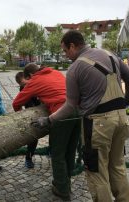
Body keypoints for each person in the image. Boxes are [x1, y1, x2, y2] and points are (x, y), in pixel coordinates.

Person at [32, 30, 129, 202]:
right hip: (121, 119)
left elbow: (70, 106)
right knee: (117, 166)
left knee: (96, 171)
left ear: (73, 46)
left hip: (99, 123)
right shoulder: (109, 54)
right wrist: (127, 103)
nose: (65, 55)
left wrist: (49, 119)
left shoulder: (76, 68)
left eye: (65, 51)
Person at [13, 63, 80, 201]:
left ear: (30, 75)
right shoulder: (55, 72)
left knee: (57, 153)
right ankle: (66, 184)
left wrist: (20, 117)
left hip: (61, 114)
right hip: (78, 111)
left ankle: (61, 189)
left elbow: (16, 103)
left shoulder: (35, 80)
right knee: (70, 150)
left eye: (28, 79)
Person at [15, 71, 41, 168]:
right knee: (33, 138)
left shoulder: (35, 84)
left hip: (43, 110)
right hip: (32, 114)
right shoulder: (24, 89)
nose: (24, 86)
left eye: (25, 83)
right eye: (21, 85)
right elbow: (22, 103)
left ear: (28, 78)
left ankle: (51, 151)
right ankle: (28, 158)